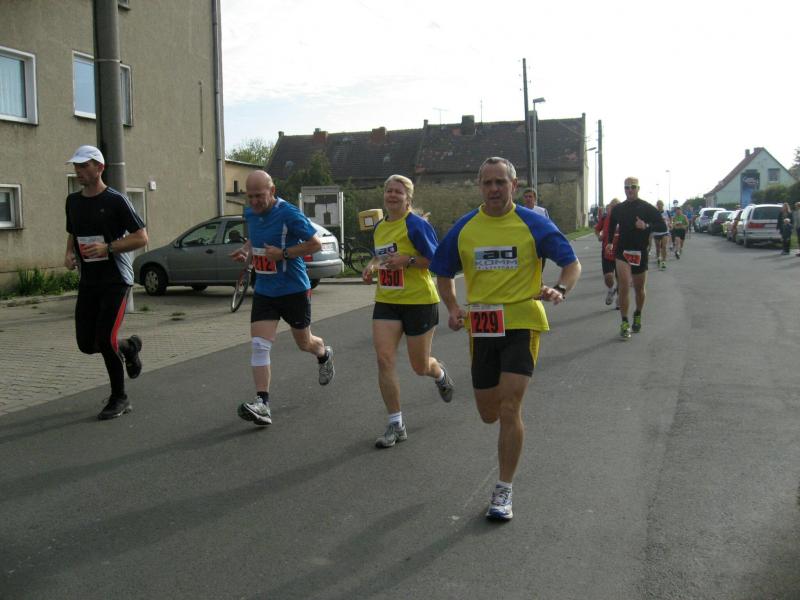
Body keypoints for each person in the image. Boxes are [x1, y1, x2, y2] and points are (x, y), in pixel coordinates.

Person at [430, 157, 581, 521]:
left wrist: (560, 288)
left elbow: (571, 263)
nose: (494, 189)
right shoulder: (465, 227)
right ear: (480, 187)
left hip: (522, 321)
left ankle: (504, 489)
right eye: (488, 183)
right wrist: (452, 307)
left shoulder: (534, 224)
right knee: (488, 414)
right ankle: (502, 441)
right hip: (482, 326)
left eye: (501, 182)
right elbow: (442, 272)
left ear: (514, 185)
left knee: (511, 406)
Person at [230, 170, 335, 427]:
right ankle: (262, 403)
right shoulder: (250, 212)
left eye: (259, 196)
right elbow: (256, 238)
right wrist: (246, 252)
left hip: (293, 290)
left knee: (305, 343)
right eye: (250, 196)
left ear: (272, 191)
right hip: (265, 291)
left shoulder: (289, 214)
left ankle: (323, 353)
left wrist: (283, 253)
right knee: (259, 345)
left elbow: (315, 244)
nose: (254, 201)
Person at [362, 175, 454, 448]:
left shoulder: (416, 225)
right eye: (389, 191)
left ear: (408, 199)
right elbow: (380, 255)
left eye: (398, 192)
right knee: (384, 359)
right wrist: (372, 266)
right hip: (387, 300)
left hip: (419, 302)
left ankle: (439, 373)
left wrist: (408, 260)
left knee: (419, 366)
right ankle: (396, 423)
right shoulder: (380, 226)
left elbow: (437, 260)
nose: (392, 195)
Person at [64, 145, 148, 420]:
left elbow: (141, 237)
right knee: (86, 343)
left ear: (99, 168)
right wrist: (69, 253)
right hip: (89, 281)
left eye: (84, 166)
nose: (78, 171)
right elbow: (72, 232)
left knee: (105, 338)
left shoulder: (116, 200)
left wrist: (108, 248)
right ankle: (129, 347)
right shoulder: (73, 201)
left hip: (116, 280)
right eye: (76, 166)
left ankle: (119, 398)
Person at [605, 177, 668, 339]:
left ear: (638, 188)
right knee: (624, 286)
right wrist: (610, 242)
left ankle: (638, 313)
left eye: (633, 187)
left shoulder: (646, 208)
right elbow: (611, 224)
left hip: (640, 252)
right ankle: (625, 322)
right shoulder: (619, 208)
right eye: (627, 187)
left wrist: (646, 226)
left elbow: (662, 225)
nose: (630, 190)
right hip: (622, 252)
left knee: (639, 289)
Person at [594, 198, 620, 306]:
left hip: (620, 253)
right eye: (612, 207)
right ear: (609, 207)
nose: (614, 209)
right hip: (607, 252)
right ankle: (611, 290)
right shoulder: (605, 218)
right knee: (608, 277)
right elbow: (597, 229)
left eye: (616, 207)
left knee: (620, 279)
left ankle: (619, 299)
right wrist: (599, 236)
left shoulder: (624, 218)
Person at [652, 200, 671, 270]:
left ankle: (663, 262)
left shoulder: (666, 212)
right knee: (657, 247)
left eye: (660, 204)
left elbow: (670, 219)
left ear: (663, 205)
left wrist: (669, 223)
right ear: (657, 205)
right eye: (658, 204)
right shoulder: (654, 213)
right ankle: (658, 257)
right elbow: (652, 221)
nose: (659, 205)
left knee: (664, 246)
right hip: (656, 232)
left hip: (665, 231)